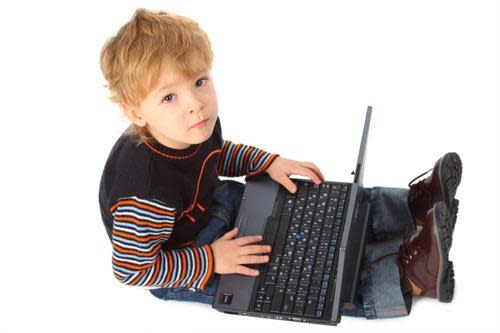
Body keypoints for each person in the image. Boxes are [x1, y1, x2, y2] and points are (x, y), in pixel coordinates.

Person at [98, 8, 462, 319]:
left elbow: (215, 155)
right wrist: (211, 258)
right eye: (169, 97)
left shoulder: (188, 125)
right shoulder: (144, 195)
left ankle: (406, 209)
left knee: (304, 208)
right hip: (186, 259)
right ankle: (407, 277)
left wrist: (266, 162)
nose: (195, 103)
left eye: (199, 81)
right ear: (134, 112)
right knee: (291, 275)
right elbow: (133, 269)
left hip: (214, 205)